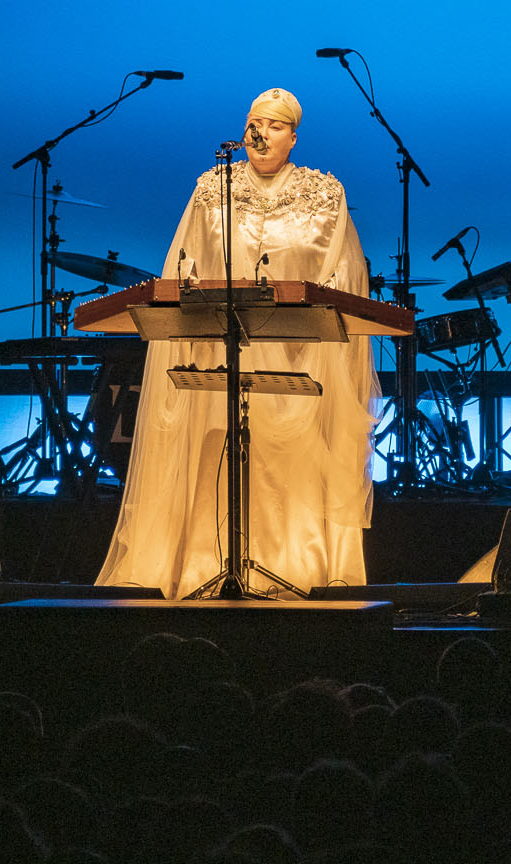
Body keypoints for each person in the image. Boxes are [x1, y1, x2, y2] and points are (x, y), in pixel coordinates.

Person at [95, 87, 378, 598]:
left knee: (287, 468)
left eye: (274, 125)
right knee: (221, 458)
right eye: (254, 122)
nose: (261, 133)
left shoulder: (324, 194)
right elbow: (183, 268)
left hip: (298, 358)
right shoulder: (212, 189)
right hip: (223, 353)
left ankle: (295, 570)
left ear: (293, 136)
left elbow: (343, 278)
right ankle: (216, 564)